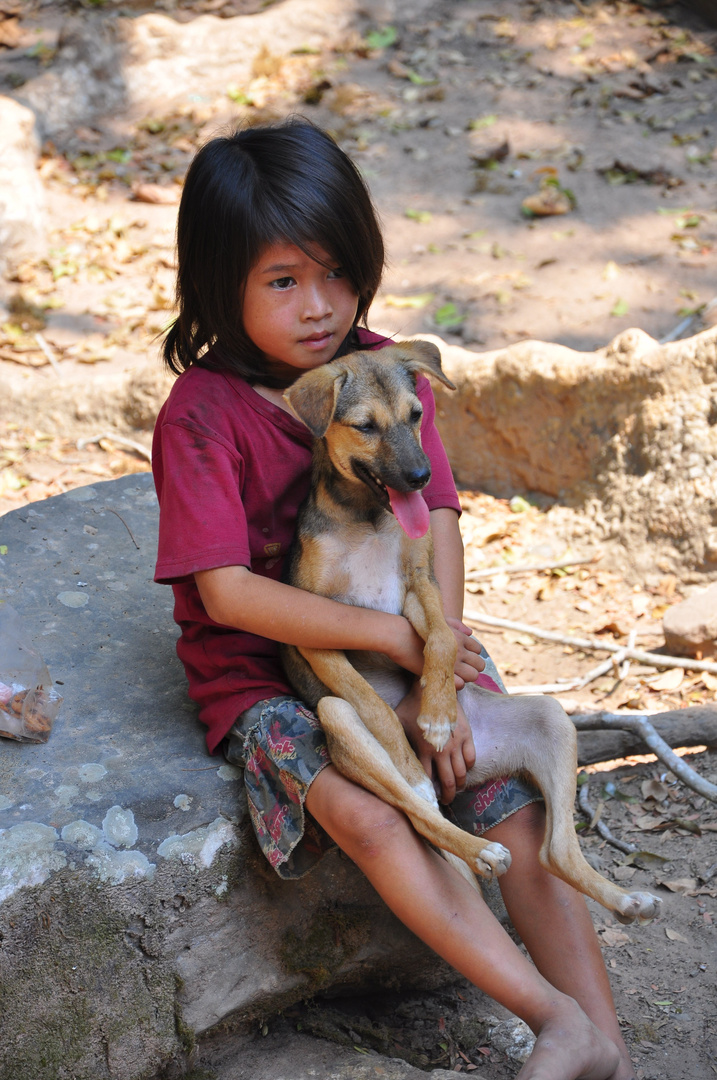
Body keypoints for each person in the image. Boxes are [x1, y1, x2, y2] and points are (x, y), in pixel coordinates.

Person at [152, 118, 636, 1080]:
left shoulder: (386, 373)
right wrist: (399, 648)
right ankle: (554, 1021)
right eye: (282, 281)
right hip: (270, 678)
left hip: (417, 642)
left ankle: (608, 1051)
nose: (319, 306)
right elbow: (231, 594)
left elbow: (438, 523)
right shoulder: (202, 418)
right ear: (219, 283)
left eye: (335, 272)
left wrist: (443, 661)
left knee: (511, 804)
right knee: (377, 817)